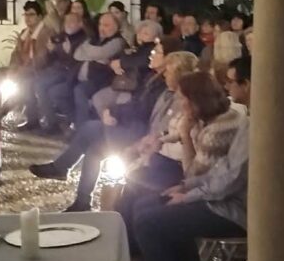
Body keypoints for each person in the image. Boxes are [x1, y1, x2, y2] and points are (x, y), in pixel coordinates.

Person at [134, 62, 252, 261]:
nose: (180, 106)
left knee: (149, 221)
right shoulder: (230, 122)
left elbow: (230, 180)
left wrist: (188, 195)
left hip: (233, 210)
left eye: (183, 100)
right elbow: (215, 174)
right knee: (145, 205)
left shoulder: (235, 126)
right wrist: (186, 187)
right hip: (217, 197)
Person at [29, 43, 195, 205]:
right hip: (137, 127)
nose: (151, 55)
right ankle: (82, 200)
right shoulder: (157, 81)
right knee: (95, 149)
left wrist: (116, 113)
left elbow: (144, 112)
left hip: (141, 133)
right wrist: (113, 111)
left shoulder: (170, 91)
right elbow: (139, 105)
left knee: (90, 128)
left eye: (157, 52)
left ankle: (62, 168)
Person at [91, 20, 163, 122]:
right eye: (139, 32)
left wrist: (121, 63)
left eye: (146, 34)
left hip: (135, 88)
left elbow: (142, 61)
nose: (140, 36)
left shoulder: (152, 50)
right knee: (99, 98)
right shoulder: (134, 48)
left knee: (120, 104)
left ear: (156, 37)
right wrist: (114, 64)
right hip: (121, 84)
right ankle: (107, 126)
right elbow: (117, 59)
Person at [4, 1, 56, 130]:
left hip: (40, 70)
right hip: (24, 69)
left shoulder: (46, 32)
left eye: (31, 14)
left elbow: (42, 58)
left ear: (39, 17)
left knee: (26, 83)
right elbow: (16, 54)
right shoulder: (24, 33)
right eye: (26, 14)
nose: (27, 18)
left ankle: (5, 111)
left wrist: (21, 71)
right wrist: (13, 69)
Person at [70, 12, 127, 129]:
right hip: (84, 77)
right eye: (100, 24)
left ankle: (82, 129)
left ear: (116, 27)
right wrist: (94, 55)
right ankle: (74, 123)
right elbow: (77, 54)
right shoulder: (96, 40)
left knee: (80, 91)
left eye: (106, 25)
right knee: (63, 90)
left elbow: (100, 53)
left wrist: (89, 51)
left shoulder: (117, 41)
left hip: (103, 79)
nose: (102, 28)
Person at [35, 11, 89, 134]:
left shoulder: (84, 39)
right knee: (37, 83)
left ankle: (57, 123)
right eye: (66, 21)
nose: (68, 24)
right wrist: (51, 51)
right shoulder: (62, 36)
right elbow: (52, 58)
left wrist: (58, 50)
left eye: (72, 22)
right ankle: (49, 121)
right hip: (58, 70)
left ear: (80, 24)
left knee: (45, 87)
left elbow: (74, 59)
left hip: (71, 73)